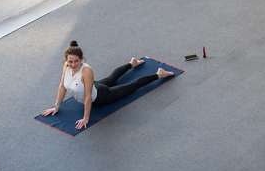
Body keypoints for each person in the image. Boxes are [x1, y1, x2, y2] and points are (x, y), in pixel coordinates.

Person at [41, 40, 174, 129]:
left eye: (76, 61)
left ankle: (159, 74)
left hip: (101, 96)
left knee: (132, 87)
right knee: (112, 78)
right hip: (96, 86)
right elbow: (62, 86)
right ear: (66, 60)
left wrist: (86, 118)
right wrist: (56, 106)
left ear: (82, 59)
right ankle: (132, 63)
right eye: (70, 61)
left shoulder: (86, 71)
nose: (73, 64)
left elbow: (88, 97)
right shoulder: (66, 66)